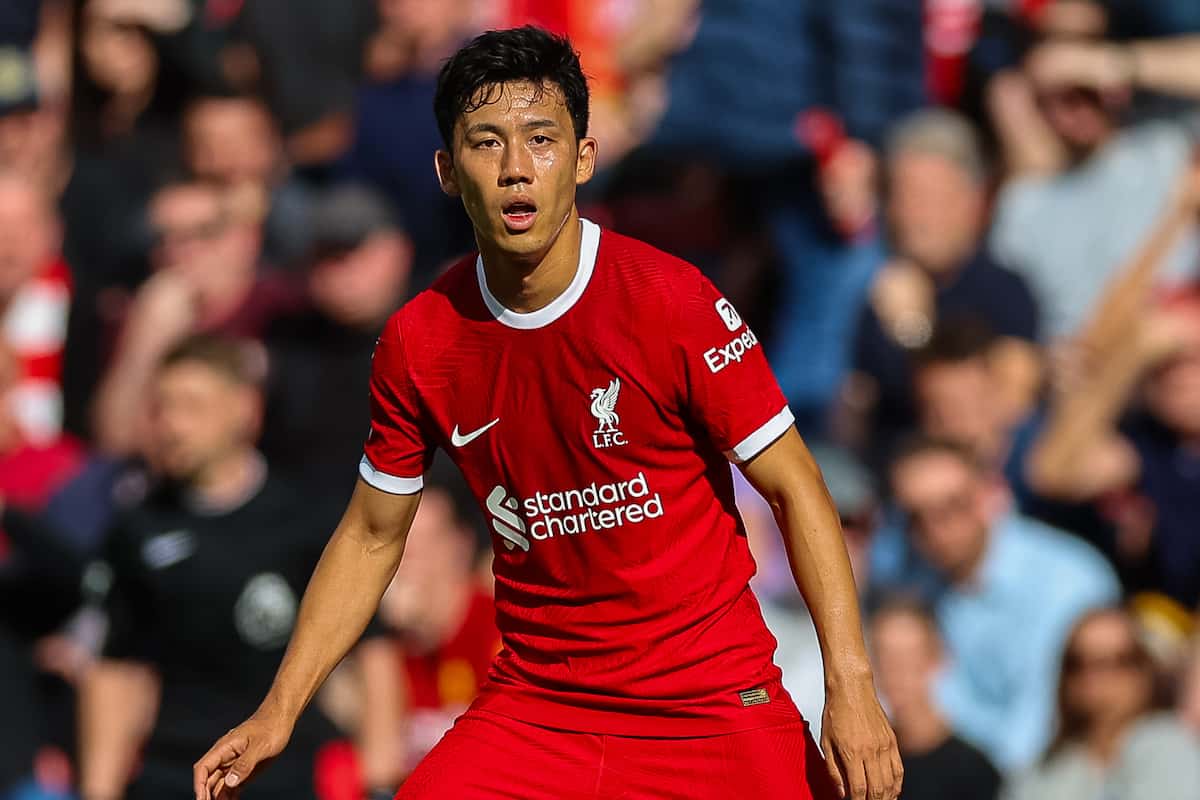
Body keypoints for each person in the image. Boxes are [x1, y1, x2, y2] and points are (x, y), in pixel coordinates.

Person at [194, 26, 901, 800]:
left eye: (541, 139)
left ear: (584, 159)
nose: (515, 169)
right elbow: (370, 534)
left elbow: (798, 487)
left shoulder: (672, 301)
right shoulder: (421, 340)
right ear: (446, 171)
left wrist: (853, 685)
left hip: (709, 703)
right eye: (486, 143)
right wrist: (279, 709)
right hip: (543, 707)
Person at [79, 335, 399, 799]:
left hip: (285, 773)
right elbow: (115, 669)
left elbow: (373, 653)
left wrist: (380, 781)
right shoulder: (137, 527)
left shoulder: (307, 519)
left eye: (191, 405)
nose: (171, 424)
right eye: (162, 406)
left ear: (244, 409)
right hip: (173, 772)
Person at [882, 436, 1120, 770]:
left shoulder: (1065, 580)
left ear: (988, 498)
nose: (935, 529)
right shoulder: (918, 583)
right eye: (916, 517)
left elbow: (1036, 732)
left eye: (951, 506)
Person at [850, 109, 1040, 461]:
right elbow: (855, 407)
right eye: (900, 196)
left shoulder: (1004, 292)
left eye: (926, 196)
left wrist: (911, 330)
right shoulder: (883, 287)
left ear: (974, 200)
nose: (909, 214)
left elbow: (1010, 411)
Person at [91, 179, 302, 457]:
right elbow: (115, 441)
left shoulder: (285, 311)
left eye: (203, 232)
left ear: (247, 239)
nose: (178, 251)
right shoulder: (135, 316)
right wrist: (146, 340)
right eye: (163, 238)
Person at [260, 184, 412, 501]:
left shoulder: (446, 333)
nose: (334, 273)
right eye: (320, 258)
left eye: (347, 254)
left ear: (398, 251)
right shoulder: (288, 343)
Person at [1002, 606, 1200, 800]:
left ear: (1143, 671)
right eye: (1077, 661)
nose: (1091, 676)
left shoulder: (1168, 745)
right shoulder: (1044, 769)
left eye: (1112, 661)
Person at [377, 482, 498, 776]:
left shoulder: (500, 628)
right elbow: (377, 766)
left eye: (419, 548)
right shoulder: (384, 650)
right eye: (397, 549)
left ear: (460, 548)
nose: (404, 566)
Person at [869, 599, 1001, 800]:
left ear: (936, 660)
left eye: (907, 661)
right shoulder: (867, 766)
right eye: (885, 661)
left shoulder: (973, 770)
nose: (895, 675)